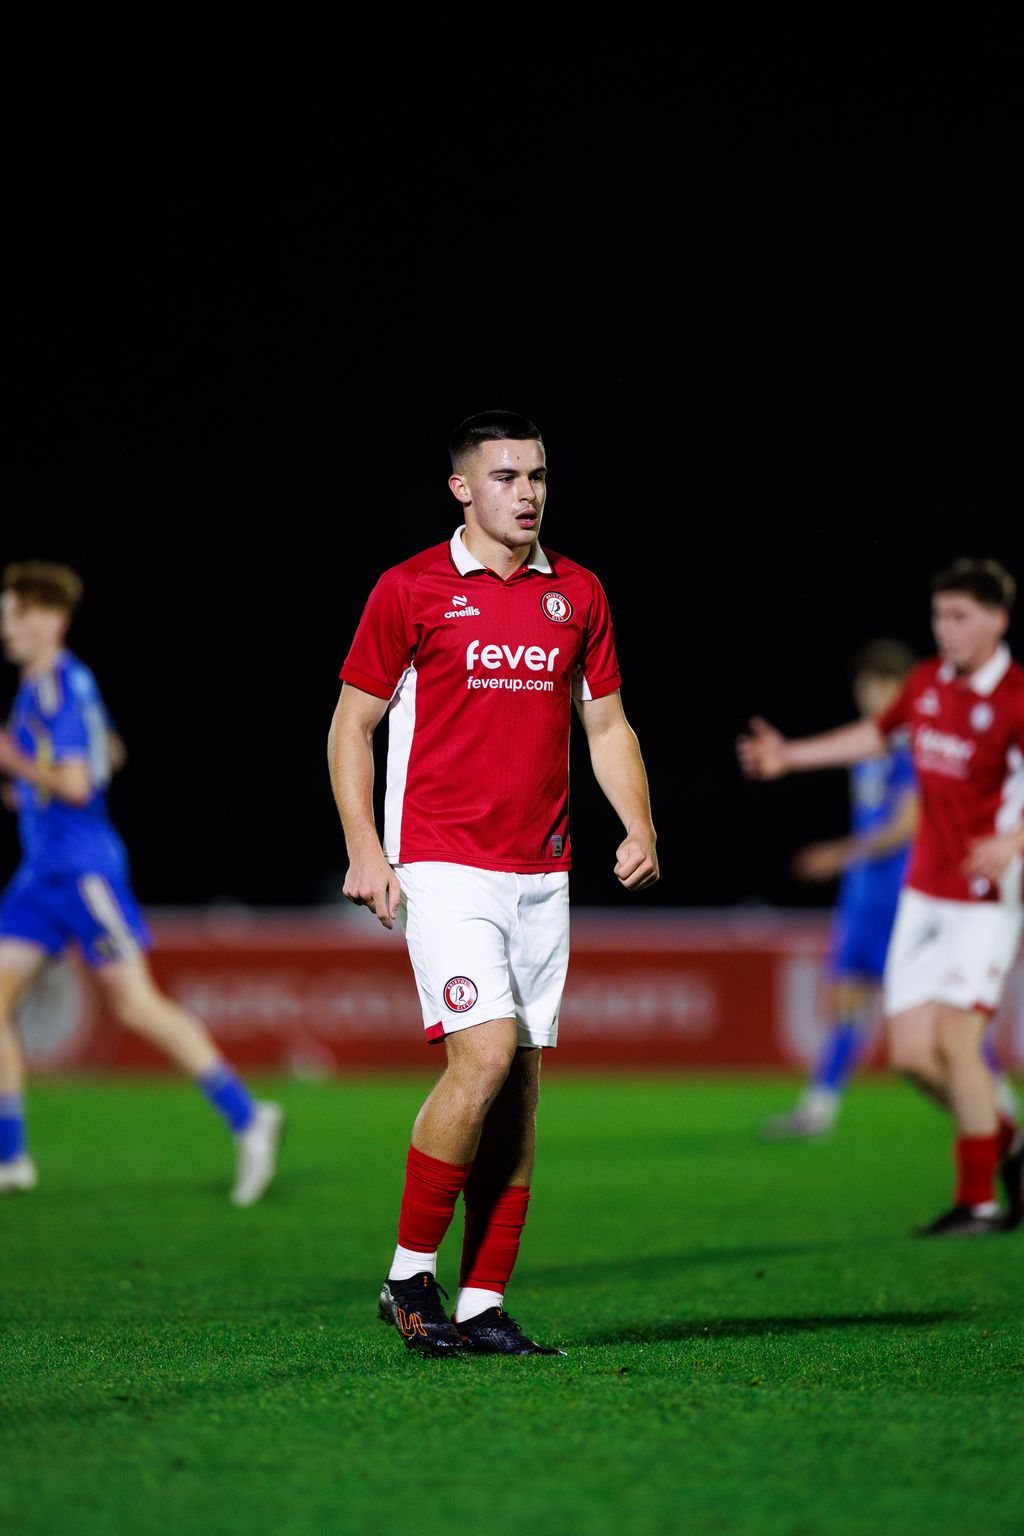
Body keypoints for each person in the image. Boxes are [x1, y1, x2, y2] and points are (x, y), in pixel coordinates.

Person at [328, 410, 658, 1355]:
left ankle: (481, 1303)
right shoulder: (411, 588)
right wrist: (365, 847)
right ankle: (407, 1276)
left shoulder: (578, 592)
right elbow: (351, 726)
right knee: (481, 1057)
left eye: (538, 476)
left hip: (541, 872)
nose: (527, 493)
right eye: (507, 477)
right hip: (443, 863)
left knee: (519, 1087)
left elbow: (607, 725)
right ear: (462, 489)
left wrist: (639, 822)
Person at [739, 559, 1024, 1235]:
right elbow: (874, 734)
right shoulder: (926, 684)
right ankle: (1007, 1140)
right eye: (939, 615)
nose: (945, 629)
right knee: (910, 1057)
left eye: (960, 616)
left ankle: (978, 1200)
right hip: (923, 894)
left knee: (957, 1041)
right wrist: (791, 756)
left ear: (996, 621)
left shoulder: (1015, 699)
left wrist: (1012, 840)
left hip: (985, 894)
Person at [0, 562, 283, 1204]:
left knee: (136, 1005)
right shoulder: (52, 683)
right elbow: (110, 753)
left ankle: (249, 1117)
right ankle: (11, 1157)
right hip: (41, 875)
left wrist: (18, 764)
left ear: (52, 620)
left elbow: (78, 784)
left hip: (82, 873)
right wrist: (31, 788)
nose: (8, 627)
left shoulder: (58, 687)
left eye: (18, 615)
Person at [761, 640, 918, 1138]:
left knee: (934, 1018)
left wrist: (839, 853)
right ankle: (817, 1110)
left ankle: (999, 1110)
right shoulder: (867, 747)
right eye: (866, 684)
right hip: (863, 891)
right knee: (844, 1000)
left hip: (901, 891)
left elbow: (907, 824)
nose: (871, 694)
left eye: (883, 685)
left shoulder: (912, 745)